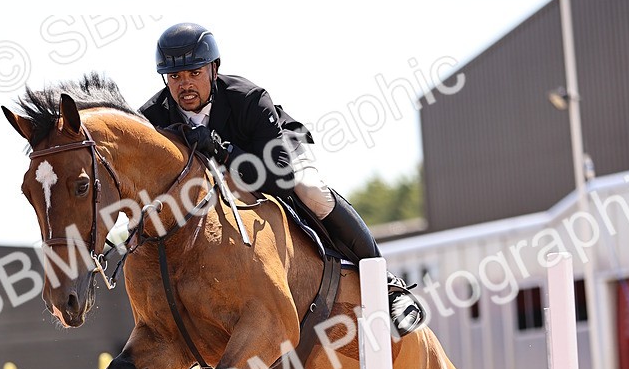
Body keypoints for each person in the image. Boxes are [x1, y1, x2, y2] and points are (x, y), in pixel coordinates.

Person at [139, 22, 424, 336]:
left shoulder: (248, 98)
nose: (185, 85)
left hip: (276, 158)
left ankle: (387, 285)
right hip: (216, 177)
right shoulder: (151, 119)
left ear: (214, 70)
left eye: (194, 73)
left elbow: (279, 178)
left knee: (312, 192)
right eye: (175, 77)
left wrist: (222, 150)